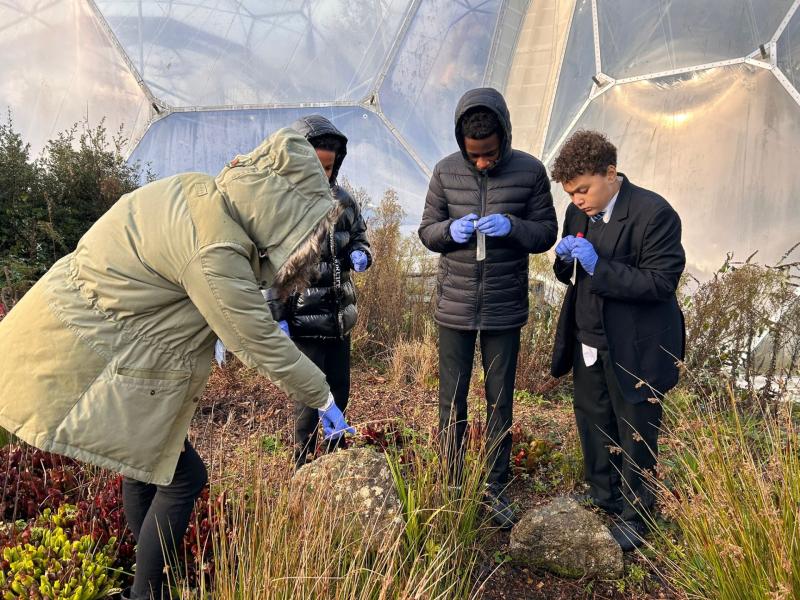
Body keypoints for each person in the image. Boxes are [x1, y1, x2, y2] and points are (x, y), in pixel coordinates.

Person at [0, 128, 355, 600]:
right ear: (279, 213)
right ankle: (146, 592)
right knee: (183, 476)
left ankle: (143, 580)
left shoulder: (198, 194)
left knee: (147, 462)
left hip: (94, 337)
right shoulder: (217, 248)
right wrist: (322, 394)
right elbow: (255, 338)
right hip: (94, 351)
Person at [418, 87, 557, 529]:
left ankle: (495, 488)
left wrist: (513, 226)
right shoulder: (444, 172)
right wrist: (448, 231)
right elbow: (426, 230)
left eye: (490, 154)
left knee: (500, 402)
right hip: (455, 307)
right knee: (451, 401)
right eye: (474, 155)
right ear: (462, 144)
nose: (481, 162)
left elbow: (546, 233)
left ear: (505, 138)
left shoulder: (530, 172)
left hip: (502, 307)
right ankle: (453, 486)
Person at [549, 130, 685, 551]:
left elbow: (661, 283)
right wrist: (562, 258)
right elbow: (569, 275)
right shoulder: (579, 214)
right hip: (588, 337)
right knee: (593, 421)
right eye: (570, 194)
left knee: (635, 430)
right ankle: (603, 496)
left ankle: (637, 515)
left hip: (635, 346)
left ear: (611, 173)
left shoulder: (653, 213)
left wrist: (599, 265)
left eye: (583, 190)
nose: (577, 200)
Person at [266, 115, 371, 470]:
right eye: (317, 166)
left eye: (330, 167)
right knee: (309, 397)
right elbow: (268, 265)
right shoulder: (281, 204)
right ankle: (302, 463)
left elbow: (359, 236)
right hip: (303, 319)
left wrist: (362, 254)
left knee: (340, 390)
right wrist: (277, 315)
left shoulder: (343, 200)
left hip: (339, 317)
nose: (324, 175)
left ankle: (333, 461)